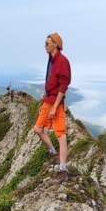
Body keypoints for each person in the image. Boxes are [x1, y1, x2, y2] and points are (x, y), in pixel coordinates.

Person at [33, 32, 71, 173]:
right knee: (37, 129)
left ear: (55, 44)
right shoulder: (52, 59)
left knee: (61, 134)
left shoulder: (62, 61)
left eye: (47, 43)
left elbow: (63, 86)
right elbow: (53, 81)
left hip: (55, 103)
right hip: (48, 99)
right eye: (45, 43)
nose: (45, 45)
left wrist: (55, 107)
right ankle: (52, 151)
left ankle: (62, 166)